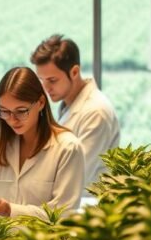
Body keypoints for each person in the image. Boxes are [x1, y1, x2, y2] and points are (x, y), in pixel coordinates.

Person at [0, 67, 85, 219]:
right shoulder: (4, 145)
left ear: (41, 103)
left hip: (46, 236)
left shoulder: (68, 148)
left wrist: (10, 211)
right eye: (5, 111)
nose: (12, 120)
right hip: (0, 235)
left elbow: (63, 214)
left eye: (21, 111)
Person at [31, 35, 120, 185]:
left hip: (88, 198)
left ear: (74, 72)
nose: (46, 88)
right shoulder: (68, 106)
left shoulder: (96, 112)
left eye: (52, 80)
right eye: (42, 80)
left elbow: (76, 173)